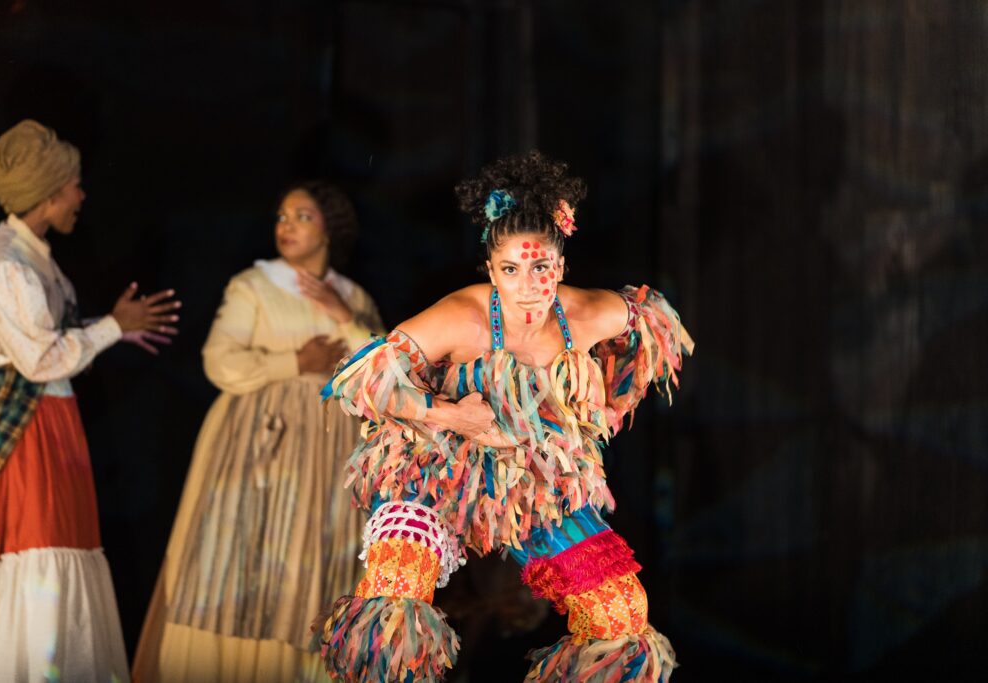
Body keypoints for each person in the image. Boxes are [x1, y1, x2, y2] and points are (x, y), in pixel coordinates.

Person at [315, 150, 694, 682]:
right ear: (491, 269)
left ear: (560, 266)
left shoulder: (586, 314)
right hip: (436, 470)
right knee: (392, 607)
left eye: (540, 268)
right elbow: (363, 379)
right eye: (511, 270)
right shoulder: (464, 316)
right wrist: (449, 416)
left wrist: (610, 398)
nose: (527, 286)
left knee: (621, 617)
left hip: (532, 486)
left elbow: (656, 325)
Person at [133, 181, 384, 682]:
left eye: (301, 217)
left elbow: (383, 373)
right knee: (245, 557)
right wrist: (295, 361)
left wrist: (346, 319)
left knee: (313, 561)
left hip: (330, 451)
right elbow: (219, 361)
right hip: (259, 445)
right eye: (281, 217)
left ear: (329, 228)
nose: (285, 227)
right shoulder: (254, 285)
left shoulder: (353, 296)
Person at [0, 119, 180, 682]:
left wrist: (111, 328)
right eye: (75, 185)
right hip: (17, 425)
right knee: (30, 549)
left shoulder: (33, 254)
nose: (82, 196)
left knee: (58, 547)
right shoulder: (5, 264)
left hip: (47, 420)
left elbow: (45, 338)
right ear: (48, 191)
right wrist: (110, 326)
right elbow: (36, 359)